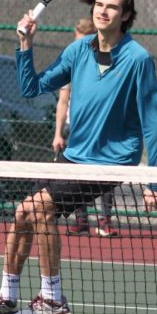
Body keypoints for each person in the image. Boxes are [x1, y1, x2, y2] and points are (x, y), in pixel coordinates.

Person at [0, 0, 157, 314]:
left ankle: (52, 298)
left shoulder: (138, 59)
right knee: (22, 214)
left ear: (126, 16)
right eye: (99, 5)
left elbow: (155, 120)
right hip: (74, 156)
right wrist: (25, 43)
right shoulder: (78, 52)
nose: (103, 11)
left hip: (111, 162)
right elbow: (30, 87)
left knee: (38, 207)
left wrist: (155, 181)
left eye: (113, 7)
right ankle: (8, 297)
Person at [53, 17, 119, 238]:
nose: (78, 46)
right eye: (76, 40)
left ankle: (105, 220)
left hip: (102, 131)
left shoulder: (108, 64)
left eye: (82, 41)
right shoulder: (71, 62)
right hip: (77, 131)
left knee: (106, 175)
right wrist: (58, 133)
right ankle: (81, 220)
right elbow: (63, 100)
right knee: (74, 175)